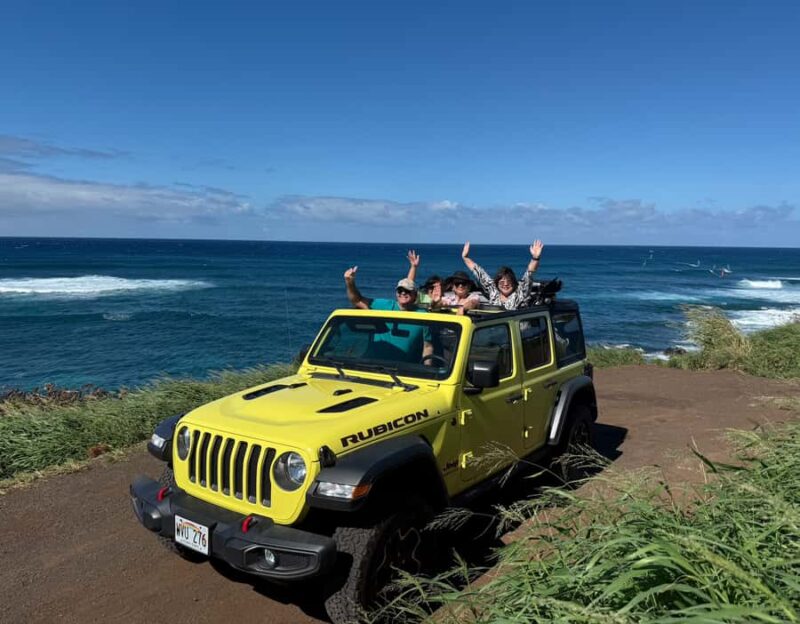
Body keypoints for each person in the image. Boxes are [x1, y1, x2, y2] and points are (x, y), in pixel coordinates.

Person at [343, 266, 433, 362]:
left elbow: (427, 347)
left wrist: (427, 369)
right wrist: (349, 283)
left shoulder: (423, 316)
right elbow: (357, 300)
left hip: (403, 370)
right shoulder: (384, 306)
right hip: (371, 365)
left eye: (407, 291)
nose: (403, 293)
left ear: (415, 294)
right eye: (400, 290)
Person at [461, 240, 544, 310]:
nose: (505, 284)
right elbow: (479, 273)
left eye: (509, 281)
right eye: (502, 282)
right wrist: (465, 258)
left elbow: (529, 274)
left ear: (514, 282)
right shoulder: (493, 292)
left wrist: (535, 258)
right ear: (496, 283)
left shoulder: (520, 293)